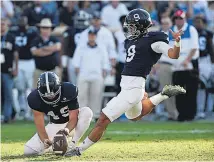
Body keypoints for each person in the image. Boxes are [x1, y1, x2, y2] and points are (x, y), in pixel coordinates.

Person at [65, 9, 185, 156]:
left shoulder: (154, 40)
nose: (129, 29)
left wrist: (177, 42)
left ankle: (78, 150)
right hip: (129, 87)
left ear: (141, 26)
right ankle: (163, 95)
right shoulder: (131, 41)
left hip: (134, 87)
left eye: (132, 26)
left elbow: (173, 54)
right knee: (134, 116)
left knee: (103, 119)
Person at [24, 72, 93, 155]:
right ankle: (53, 148)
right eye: (47, 97)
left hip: (73, 124)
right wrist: (45, 139)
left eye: (53, 95)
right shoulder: (34, 99)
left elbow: (74, 117)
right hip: (55, 124)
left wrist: (66, 130)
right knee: (28, 151)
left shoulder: (69, 90)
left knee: (87, 112)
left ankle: (72, 145)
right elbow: (39, 124)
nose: (51, 97)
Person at [73, 29, 109, 121]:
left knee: (96, 95)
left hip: (97, 75)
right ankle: (81, 115)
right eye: (90, 35)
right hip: (83, 74)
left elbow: (105, 61)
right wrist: (77, 70)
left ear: (96, 36)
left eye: (93, 35)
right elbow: (76, 61)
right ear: (88, 36)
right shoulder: (81, 47)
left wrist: (104, 71)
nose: (92, 37)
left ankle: (94, 115)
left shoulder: (101, 47)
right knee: (81, 95)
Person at [170, 10, 199, 121]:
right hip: (177, 64)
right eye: (177, 18)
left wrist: (187, 60)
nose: (178, 20)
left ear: (184, 19)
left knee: (191, 90)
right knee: (178, 91)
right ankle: (181, 115)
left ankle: (190, 114)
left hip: (189, 64)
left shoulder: (191, 29)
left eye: (180, 18)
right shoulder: (172, 31)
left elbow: (194, 47)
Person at [9, 17, 38, 120]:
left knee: (29, 87)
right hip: (18, 61)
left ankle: (29, 110)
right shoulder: (13, 32)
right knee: (19, 88)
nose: (22, 22)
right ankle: (21, 109)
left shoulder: (32, 32)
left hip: (29, 61)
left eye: (24, 20)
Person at [30, 18, 62, 89]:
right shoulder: (35, 40)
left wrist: (43, 49)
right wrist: (50, 50)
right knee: (37, 92)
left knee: (55, 92)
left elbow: (57, 47)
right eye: (43, 28)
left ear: (51, 29)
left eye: (47, 28)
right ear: (40, 29)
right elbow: (35, 52)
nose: (45, 30)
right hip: (39, 71)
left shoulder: (54, 39)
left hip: (53, 70)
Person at [194, 15, 214, 119]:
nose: (197, 24)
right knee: (200, 85)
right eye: (196, 22)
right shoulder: (192, 33)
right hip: (195, 60)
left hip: (205, 60)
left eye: (199, 22)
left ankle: (207, 109)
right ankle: (200, 110)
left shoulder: (208, 34)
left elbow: (210, 48)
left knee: (206, 85)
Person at [1, 18, 19, 123]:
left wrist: (16, 68)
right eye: (0, 24)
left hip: (7, 70)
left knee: (8, 94)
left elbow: (16, 54)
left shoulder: (11, 37)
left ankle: (7, 117)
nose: (1, 26)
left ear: (7, 25)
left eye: (3, 24)